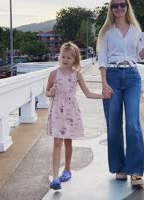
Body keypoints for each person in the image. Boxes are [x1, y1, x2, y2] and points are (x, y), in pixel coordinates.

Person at [97, 0, 144, 187]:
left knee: (132, 124)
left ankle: (136, 171)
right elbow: (102, 60)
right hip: (111, 76)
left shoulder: (136, 29)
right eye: (115, 5)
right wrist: (104, 84)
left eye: (122, 5)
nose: (119, 8)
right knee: (113, 126)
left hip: (131, 77)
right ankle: (119, 167)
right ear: (110, 9)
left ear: (127, 7)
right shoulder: (106, 32)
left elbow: (138, 55)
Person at [45, 41, 106, 190]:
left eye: (69, 58)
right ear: (60, 57)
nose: (65, 60)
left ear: (75, 60)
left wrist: (104, 96)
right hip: (57, 111)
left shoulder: (77, 75)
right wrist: (50, 93)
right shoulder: (53, 74)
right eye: (63, 57)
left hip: (71, 111)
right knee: (57, 142)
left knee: (68, 142)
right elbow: (47, 91)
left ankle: (67, 169)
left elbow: (87, 93)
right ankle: (55, 178)